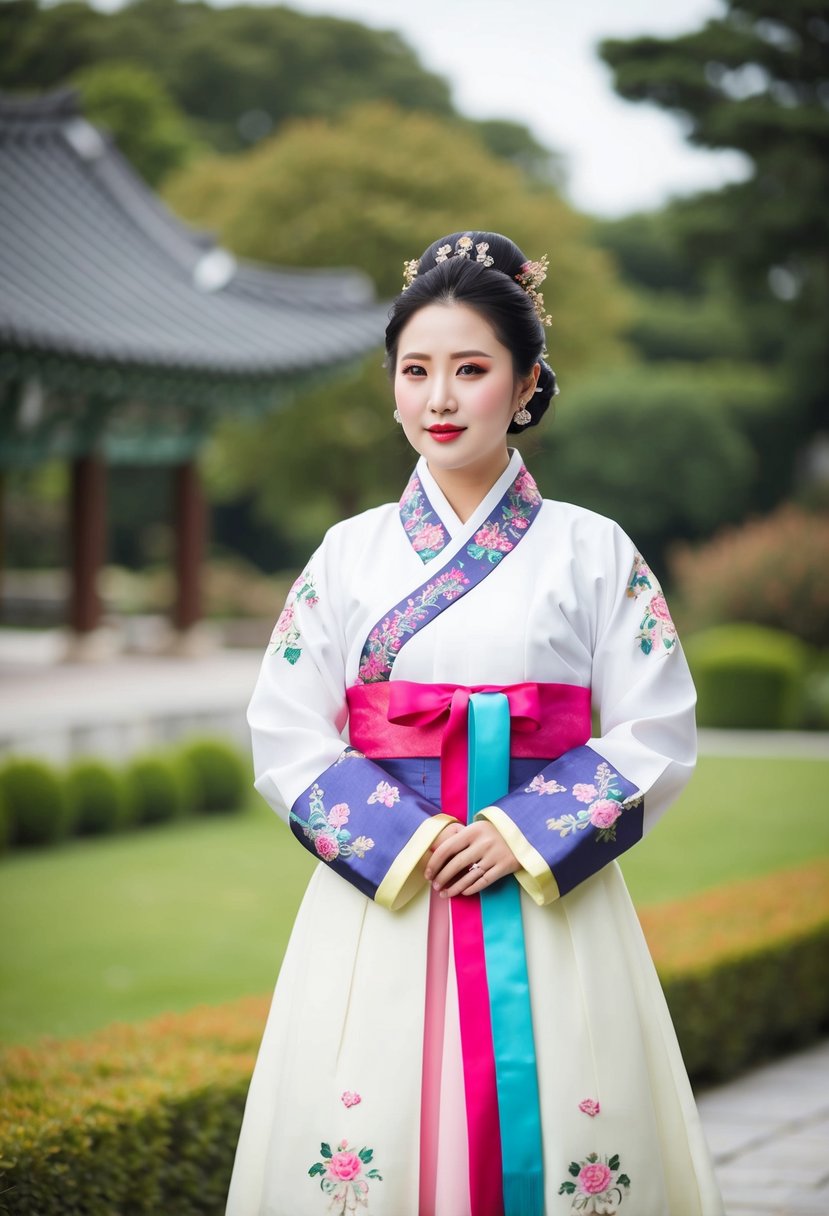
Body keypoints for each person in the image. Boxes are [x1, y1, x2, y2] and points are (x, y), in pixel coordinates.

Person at [225, 231, 724, 1216]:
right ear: (392, 385)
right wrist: (410, 839)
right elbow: (286, 727)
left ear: (527, 382)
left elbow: (654, 727)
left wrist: (513, 833)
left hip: (547, 895)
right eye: (416, 371)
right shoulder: (347, 555)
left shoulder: (594, 549)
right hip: (389, 892)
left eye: (470, 369)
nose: (440, 398)